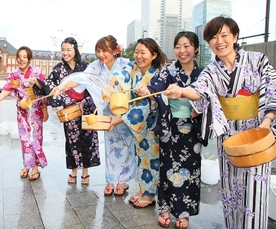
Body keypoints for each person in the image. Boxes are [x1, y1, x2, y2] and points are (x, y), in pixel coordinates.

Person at [165, 16, 276, 229]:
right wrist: (180, 90)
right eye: (213, 37)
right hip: (230, 136)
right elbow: (198, 89)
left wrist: (268, 119)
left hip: (257, 133)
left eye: (224, 35)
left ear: (235, 36)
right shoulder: (211, 71)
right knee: (231, 191)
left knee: (254, 191)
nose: (219, 41)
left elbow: (272, 89)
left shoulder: (258, 60)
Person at [137, 32, 205, 228]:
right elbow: (155, 90)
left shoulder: (203, 74)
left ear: (196, 48)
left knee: (190, 171)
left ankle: (183, 213)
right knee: (167, 169)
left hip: (192, 129)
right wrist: (146, 91)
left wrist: (197, 108)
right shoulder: (168, 71)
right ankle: (165, 209)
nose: (182, 51)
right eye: (178, 47)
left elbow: (208, 98)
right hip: (170, 128)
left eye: (187, 46)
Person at [54, 35, 136, 196]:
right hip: (107, 110)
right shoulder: (95, 67)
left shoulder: (125, 64)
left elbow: (134, 78)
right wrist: (62, 86)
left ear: (114, 51)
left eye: (105, 51)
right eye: (98, 51)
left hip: (123, 111)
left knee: (126, 145)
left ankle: (122, 181)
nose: (101, 55)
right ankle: (111, 180)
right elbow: (80, 78)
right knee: (111, 146)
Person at [112, 38, 165, 208]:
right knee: (141, 158)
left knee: (151, 158)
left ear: (154, 55)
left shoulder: (157, 74)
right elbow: (121, 74)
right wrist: (112, 79)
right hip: (138, 126)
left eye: (143, 53)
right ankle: (143, 189)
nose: (139, 56)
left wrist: (120, 119)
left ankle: (150, 194)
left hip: (150, 122)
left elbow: (147, 104)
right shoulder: (133, 67)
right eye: (137, 52)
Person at [40, 37, 100, 184]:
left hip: (86, 108)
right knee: (72, 140)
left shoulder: (86, 66)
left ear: (75, 50)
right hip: (70, 110)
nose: (65, 53)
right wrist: (38, 83)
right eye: (63, 50)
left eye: (68, 50)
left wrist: (84, 102)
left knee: (88, 139)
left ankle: (85, 171)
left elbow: (92, 86)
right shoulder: (58, 69)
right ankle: (73, 170)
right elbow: (48, 85)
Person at [0, 46, 49, 181]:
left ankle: (35, 167)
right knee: (24, 139)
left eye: (25, 57)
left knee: (35, 138)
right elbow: (8, 88)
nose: (22, 60)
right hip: (22, 111)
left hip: (36, 110)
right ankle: (27, 165)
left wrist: (45, 109)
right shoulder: (14, 74)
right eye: (20, 57)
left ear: (29, 59)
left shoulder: (36, 71)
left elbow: (45, 90)